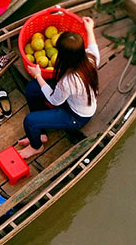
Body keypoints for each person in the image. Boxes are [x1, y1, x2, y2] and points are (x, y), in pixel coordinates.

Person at [16, 17, 99, 159]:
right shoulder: (91, 57)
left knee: (30, 121)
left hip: (76, 116)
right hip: (73, 100)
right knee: (32, 89)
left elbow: (54, 100)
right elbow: (92, 44)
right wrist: (89, 29)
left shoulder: (69, 81)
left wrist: (38, 76)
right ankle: (40, 133)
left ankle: (36, 146)